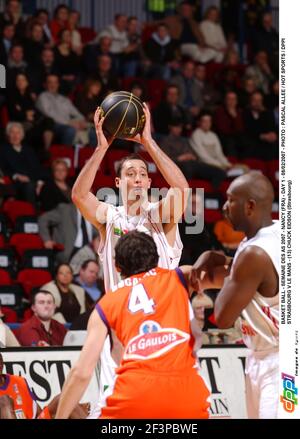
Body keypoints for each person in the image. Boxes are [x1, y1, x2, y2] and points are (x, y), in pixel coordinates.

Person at [71, 103, 189, 415]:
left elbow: (181, 189)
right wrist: (101, 148)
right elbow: (80, 196)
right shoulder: (109, 217)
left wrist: (148, 142)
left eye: (142, 174)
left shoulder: (160, 216)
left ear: (149, 184)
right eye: (129, 174)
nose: (137, 178)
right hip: (119, 333)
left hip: (161, 331)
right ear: (119, 184)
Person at [56, 231, 210, 419]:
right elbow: (222, 273)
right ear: (156, 257)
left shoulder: (105, 305)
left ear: (117, 267)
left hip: (134, 397)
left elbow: (81, 373)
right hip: (188, 398)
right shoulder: (179, 277)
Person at [191, 171, 279, 419]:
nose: (224, 207)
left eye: (231, 200)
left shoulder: (254, 254)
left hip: (278, 362)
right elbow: (255, 278)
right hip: (263, 356)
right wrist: (219, 258)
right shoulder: (274, 233)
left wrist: (227, 270)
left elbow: (222, 316)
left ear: (250, 206)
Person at [0, 353, 39, 419]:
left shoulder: (19, 381)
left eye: (0, 360)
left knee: (59, 399)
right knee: (4, 400)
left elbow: (36, 410)